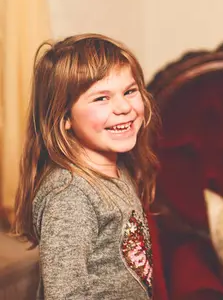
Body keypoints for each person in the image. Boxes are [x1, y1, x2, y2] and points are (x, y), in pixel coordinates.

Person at [12, 33, 161, 299]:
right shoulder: (70, 194)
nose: (123, 107)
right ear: (64, 116)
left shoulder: (117, 169)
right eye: (101, 98)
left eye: (129, 91)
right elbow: (65, 294)